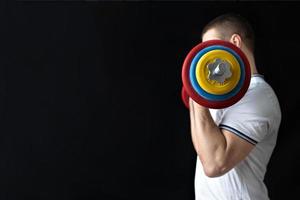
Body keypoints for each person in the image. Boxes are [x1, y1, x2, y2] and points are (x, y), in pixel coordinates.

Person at [189, 13, 281, 200]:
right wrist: (195, 93)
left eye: (210, 48)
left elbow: (215, 164)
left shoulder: (258, 96)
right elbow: (203, 149)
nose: (205, 59)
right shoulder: (221, 96)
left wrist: (197, 97)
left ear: (235, 42)